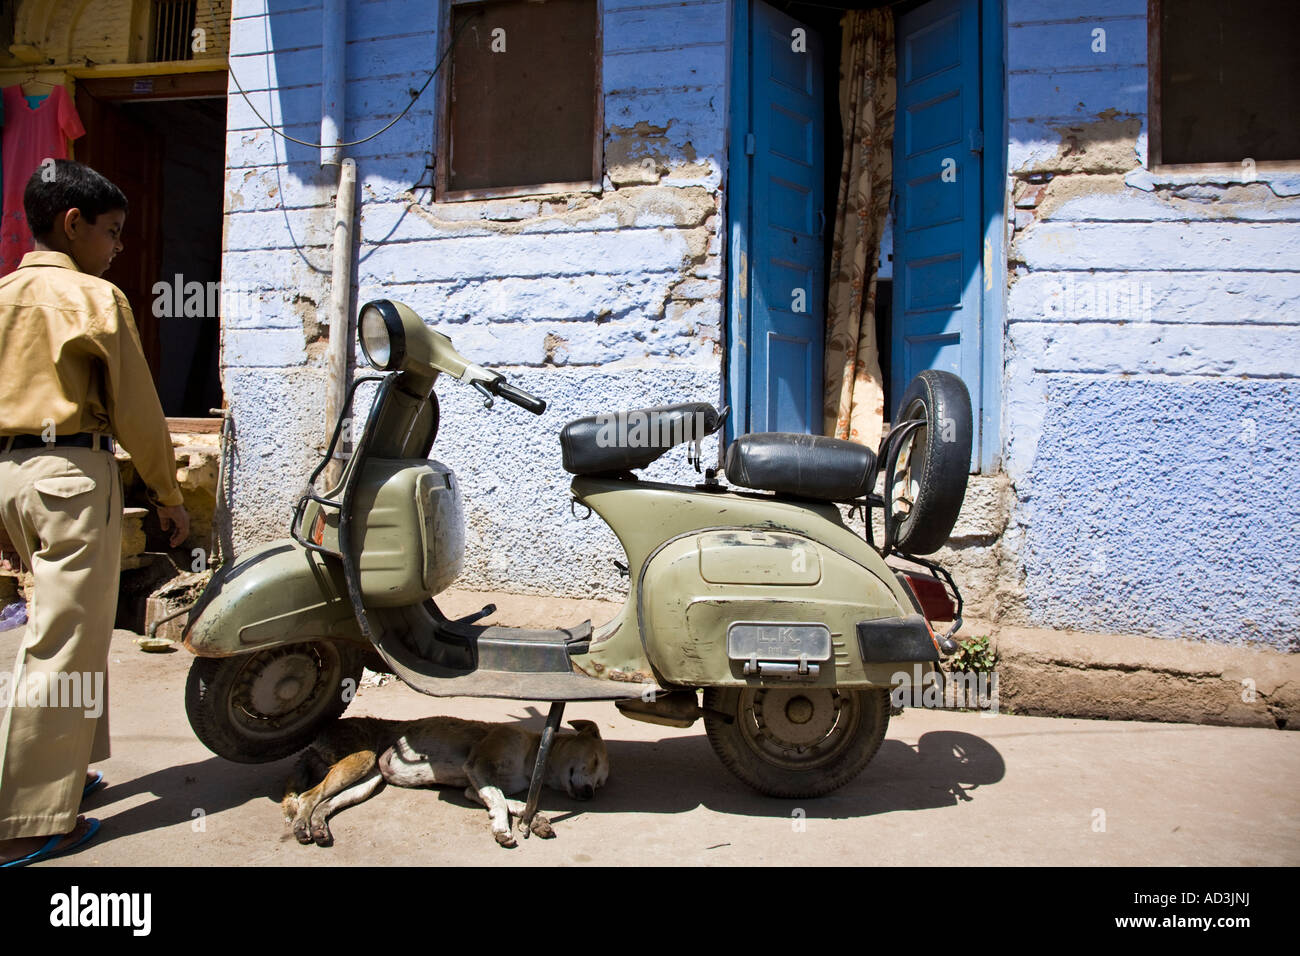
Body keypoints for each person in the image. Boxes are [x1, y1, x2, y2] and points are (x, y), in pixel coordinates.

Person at [0, 160, 189, 866]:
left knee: (72, 637)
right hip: (70, 476)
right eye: (110, 232)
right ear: (72, 223)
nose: (115, 247)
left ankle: (62, 777)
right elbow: (138, 410)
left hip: (10, 476)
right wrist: (166, 494)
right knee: (60, 644)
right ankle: (25, 820)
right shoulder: (93, 299)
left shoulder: (3, 295)